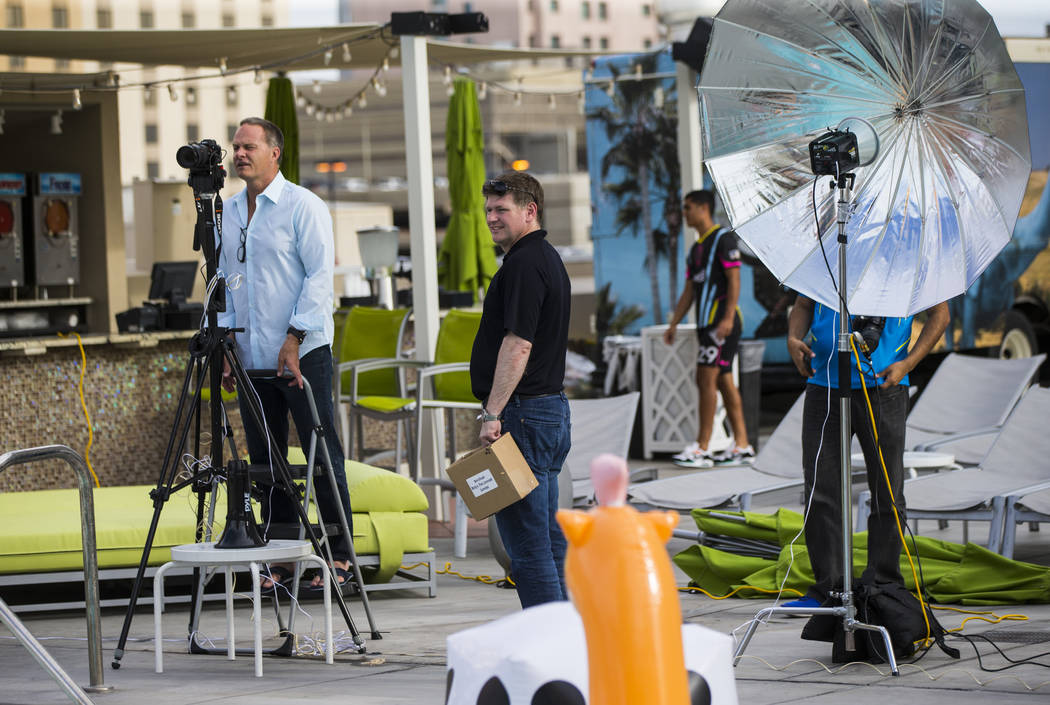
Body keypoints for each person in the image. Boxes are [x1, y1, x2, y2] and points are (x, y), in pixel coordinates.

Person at [217, 117, 352, 592]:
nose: (239, 155)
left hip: (302, 350)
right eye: (235, 147)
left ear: (276, 152)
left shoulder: (304, 206)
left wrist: (294, 337)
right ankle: (280, 556)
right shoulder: (228, 212)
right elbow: (225, 284)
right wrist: (227, 343)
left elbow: (319, 279)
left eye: (248, 146)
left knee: (320, 450)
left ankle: (340, 556)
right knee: (264, 455)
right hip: (251, 353)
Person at [784, 295, 950, 608]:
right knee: (820, 489)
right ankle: (829, 591)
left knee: (887, 492)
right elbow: (804, 304)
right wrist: (793, 338)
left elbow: (940, 315)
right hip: (825, 385)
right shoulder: (826, 248)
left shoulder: (905, 254)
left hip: (883, 388)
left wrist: (908, 364)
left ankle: (884, 588)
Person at [470, 171, 572, 609]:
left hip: (525, 414)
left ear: (530, 211)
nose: (492, 217)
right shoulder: (545, 257)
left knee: (528, 547)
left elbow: (519, 343)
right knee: (547, 539)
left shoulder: (526, 264)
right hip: (546, 411)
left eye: (501, 209)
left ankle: (552, 644)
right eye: (489, 209)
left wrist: (492, 414)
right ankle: (570, 635)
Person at [664, 190, 753, 468]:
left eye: (688, 207)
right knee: (724, 381)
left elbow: (735, 279)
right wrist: (674, 323)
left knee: (705, 379)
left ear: (703, 208)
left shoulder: (724, 239)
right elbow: (689, 289)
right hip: (707, 325)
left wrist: (726, 319)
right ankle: (742, 445)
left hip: (720, 324)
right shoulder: (696, 249)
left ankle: (702, 448)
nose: (684, 213)